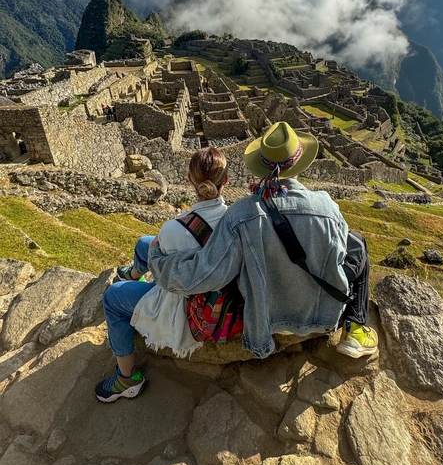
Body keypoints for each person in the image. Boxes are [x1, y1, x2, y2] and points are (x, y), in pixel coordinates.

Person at [96, 121, 378, 403]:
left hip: (270, 317)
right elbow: (339, 256)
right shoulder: (327, 207)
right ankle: (355, 327)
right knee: (358, 243)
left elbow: (203, 275)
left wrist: (157, 259)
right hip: (324, 313)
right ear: (300, 164)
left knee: (129, 276)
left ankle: (126, 374)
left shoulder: (243, 215)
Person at [95, 147, 229, 402]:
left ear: (189, 180)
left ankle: (127, 379)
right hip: (210, 282)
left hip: (186, 304)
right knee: (144, 243)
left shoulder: (175, 229)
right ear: (227, 181)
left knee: (112, 298)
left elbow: (164, 262)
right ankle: (133, 274)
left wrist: (161, 246)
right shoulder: (233, 217)